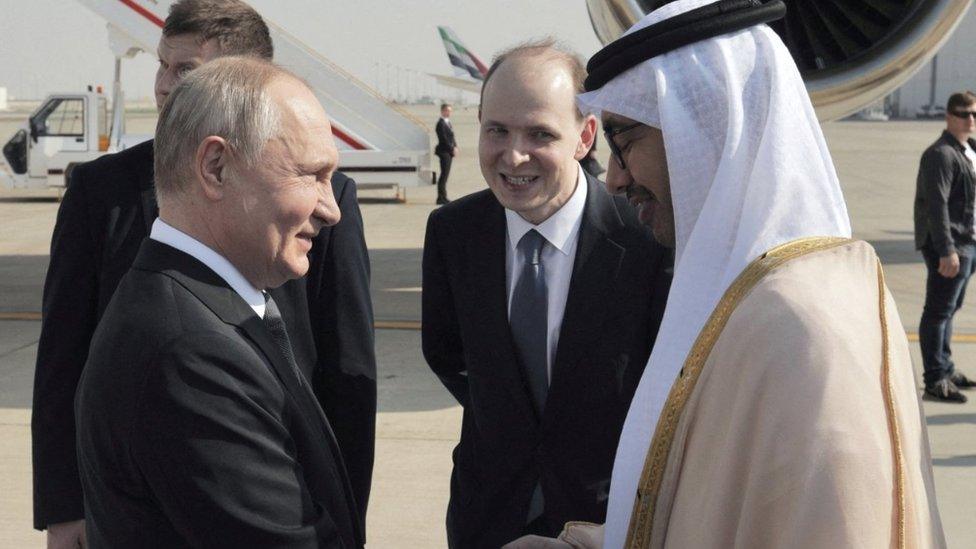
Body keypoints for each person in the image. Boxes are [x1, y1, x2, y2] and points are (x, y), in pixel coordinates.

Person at [506, 0, 944, 547]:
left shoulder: (800, 330)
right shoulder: (746, 296)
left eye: (625, 141)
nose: (613, 179)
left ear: (706, 127)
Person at [31, 1, 376, 546]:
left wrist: (346, 519)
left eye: (186, 72)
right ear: (214, 167)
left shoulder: (311, 217)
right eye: (163, 66)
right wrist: (63, 503)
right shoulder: (187, 346)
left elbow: (346, 371)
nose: (167, 87)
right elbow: (63, 356)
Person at [422, 39, 671, 548]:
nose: (513, 156)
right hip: (485, 517)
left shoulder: (646, 240)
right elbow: (446, 353)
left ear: (584, 137)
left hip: (604, 523)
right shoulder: (453, 232)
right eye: (497, 130)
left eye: (539, 134)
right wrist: (507, 418)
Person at [914, 90, 976, 403]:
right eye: (964, 114)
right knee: (938, 311)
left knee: (951, 309)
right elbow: (936, 205)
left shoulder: (969, 150)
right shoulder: (940, 155)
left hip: (968, 241)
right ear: (950, 117)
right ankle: (935, 380)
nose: (971, 120)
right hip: (951, 244)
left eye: (974, 114)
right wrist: (946, 249)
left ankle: (946, 368)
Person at [435, 102, 458, 204]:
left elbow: (451, 137)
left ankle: (443, 196)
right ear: (443, 111)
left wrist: (456, 146)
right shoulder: (440, 124)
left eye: (450, 111)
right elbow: (443, 139)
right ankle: (440, 197)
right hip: (444, 152)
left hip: (449, 152)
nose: (449, 113)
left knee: (446, 175)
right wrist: (452, 148)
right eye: (447, 111)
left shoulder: (447, 122)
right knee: (443, 175)